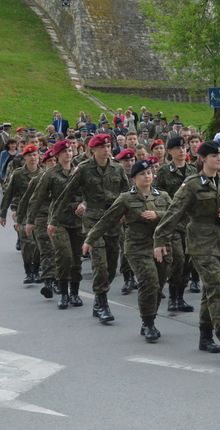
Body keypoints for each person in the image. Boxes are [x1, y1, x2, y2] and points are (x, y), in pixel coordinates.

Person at [154, 140, 220, 360]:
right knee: (217, 288)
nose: (219, 158)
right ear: (203, 158)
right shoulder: (192, 184)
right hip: (201, 244)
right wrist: (159, 240)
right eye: (214, 156)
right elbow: (174, 212)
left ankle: (205, 337)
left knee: (212, 290)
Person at [84, 160, 172, 343]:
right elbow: (107, 220)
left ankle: (151, 317)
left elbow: (177, 215)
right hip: (137, 247)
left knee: (158, 285)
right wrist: (90, 239)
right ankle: (148, 323)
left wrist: (158, 215)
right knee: (149, 281)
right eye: (142, 174)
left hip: (161, 246)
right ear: (133, 179)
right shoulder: (126, 198)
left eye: (149, 172)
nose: (147, 176)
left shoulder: (163, 196)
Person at [50, 134, 130, 324]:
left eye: (108, 146)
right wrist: (53, 220)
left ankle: (98, 299)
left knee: (111, 266)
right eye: (101, 146)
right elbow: (66, 194)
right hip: (93, 220)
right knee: (100, 263)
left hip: (113, 221)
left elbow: (128, 194)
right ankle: (102, 304)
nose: (106, 149)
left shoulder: (117, 169)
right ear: (92, 150)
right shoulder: (83, 169)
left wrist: (129, 215)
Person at [27, 140, 84, 308]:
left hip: (77, 220)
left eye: (69, 150)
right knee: (64, 255)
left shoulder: (80, 171)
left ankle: (74, 293)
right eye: (64, 151)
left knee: (76, 258)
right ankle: (64, 293)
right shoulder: (50, 174)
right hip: (57, 220)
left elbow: (90, 192)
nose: (68, 153)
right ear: (57, 155)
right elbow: (37, 198)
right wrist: (30, 221)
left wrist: (84, 203)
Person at [154, 136, 197, 313]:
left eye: (184, 147)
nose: (182, 151)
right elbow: (157, 195)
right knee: (178, 260)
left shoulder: (194, 170)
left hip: (191, 223)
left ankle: (180, 297)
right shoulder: (164, 171)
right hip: (173, 223)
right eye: (178, 148)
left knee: (188, 262)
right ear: (170, 151)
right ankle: (172, 297)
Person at [0, 144, 44, 284]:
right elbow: (8, 194)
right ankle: (28, 271)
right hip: (23, 212)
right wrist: (2, 213)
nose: (33, 158)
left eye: (35, 155)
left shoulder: (44, 173)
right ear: (24, 157)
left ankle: (36, 270)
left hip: (40, 213)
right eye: (30, 155)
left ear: (39, 157)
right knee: (27, 242)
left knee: (38, 243)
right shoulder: (18, 174)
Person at [20, 150, 57, 299]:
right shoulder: (37, 179)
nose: (53, 164)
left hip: (59, 219)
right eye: (50, 161)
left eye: (55, 161)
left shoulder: (67, 178)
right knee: (47, 249)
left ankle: (59, 280)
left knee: (60, 251)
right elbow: (27, 200)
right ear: (44, 163)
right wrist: (24, 221)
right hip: (41, 218)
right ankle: (48, 281)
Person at [115, 148, 138, 295]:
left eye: (131, 160)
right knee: (125, 248)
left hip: (139, 218)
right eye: (125, 161)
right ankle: (128, 278)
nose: (129, 163)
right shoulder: (116, 176)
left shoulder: (141, 174)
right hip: (121, 218)